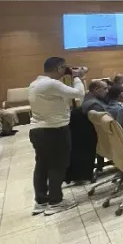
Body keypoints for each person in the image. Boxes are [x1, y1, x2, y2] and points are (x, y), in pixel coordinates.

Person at [28, 57, 85, 215]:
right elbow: (79, 94)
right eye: (64, 68)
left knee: (42, 166)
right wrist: (77, 77)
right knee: (57, 165)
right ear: (58, 68)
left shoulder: (35, 83)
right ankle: (55, 202)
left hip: (37, 130)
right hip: (54, 130)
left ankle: (41, 201)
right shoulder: (52, 84)